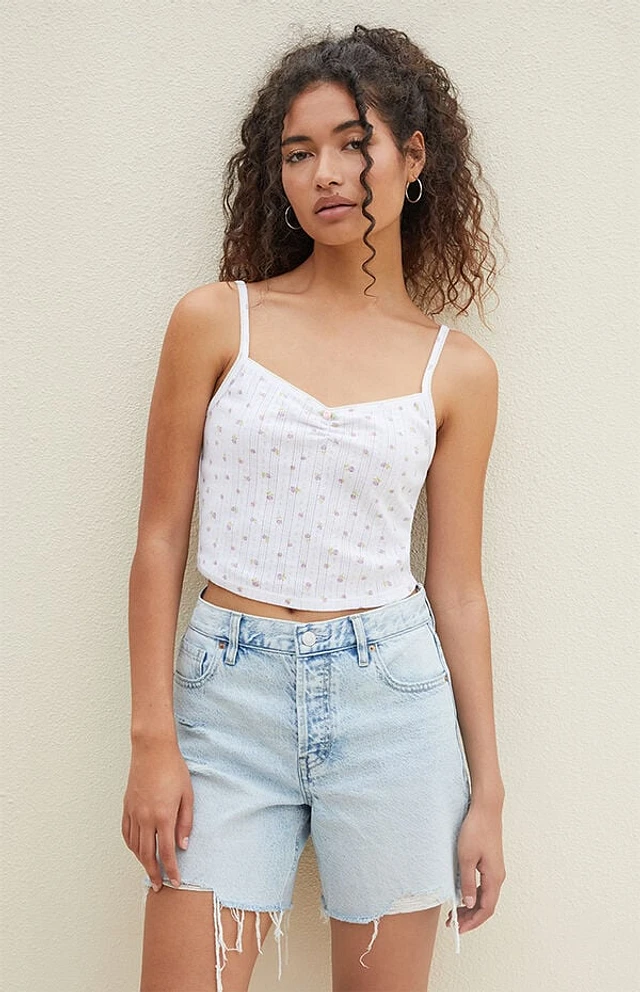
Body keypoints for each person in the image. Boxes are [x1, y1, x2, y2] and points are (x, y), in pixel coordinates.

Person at [122, 23, 506, 992]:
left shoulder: (457, 371)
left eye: (352, 143)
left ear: (413, 158)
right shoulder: (217, 320)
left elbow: (458, 588)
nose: (325, 174)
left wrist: (488, 793)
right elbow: (160, 539)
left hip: (395, 709)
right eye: (298, 153)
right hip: (227, 699)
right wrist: (153, 738)